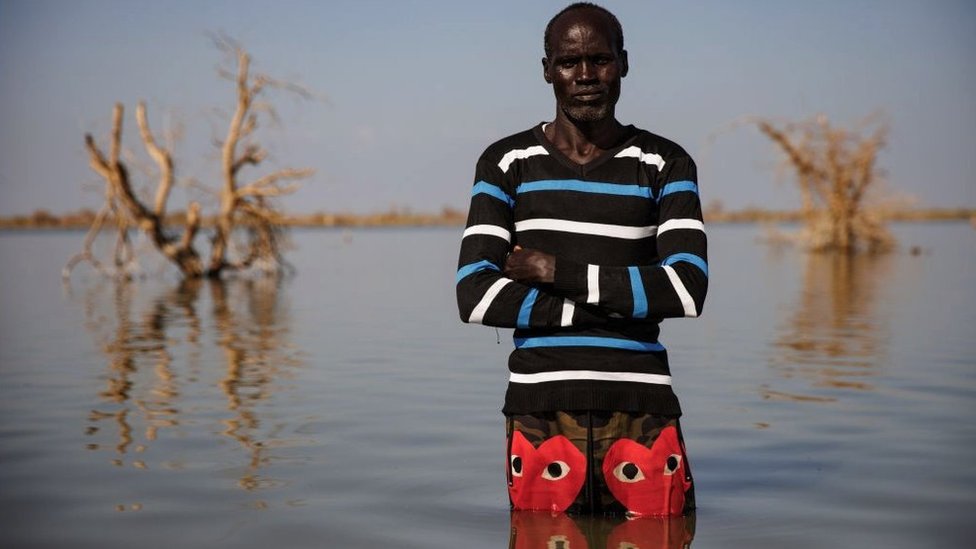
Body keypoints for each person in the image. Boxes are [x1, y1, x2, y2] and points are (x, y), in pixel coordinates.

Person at [456, 2, 707, 516]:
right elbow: (475, 296)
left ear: (624, 64)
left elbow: (686, 290)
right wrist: (620, 305)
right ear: (547, 70)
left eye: (601, 59)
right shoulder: (506, 163)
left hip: (643, 410)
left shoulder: (665, 162)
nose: (586, 75)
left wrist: (554, 272)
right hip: (539, 413)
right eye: (570, 62)